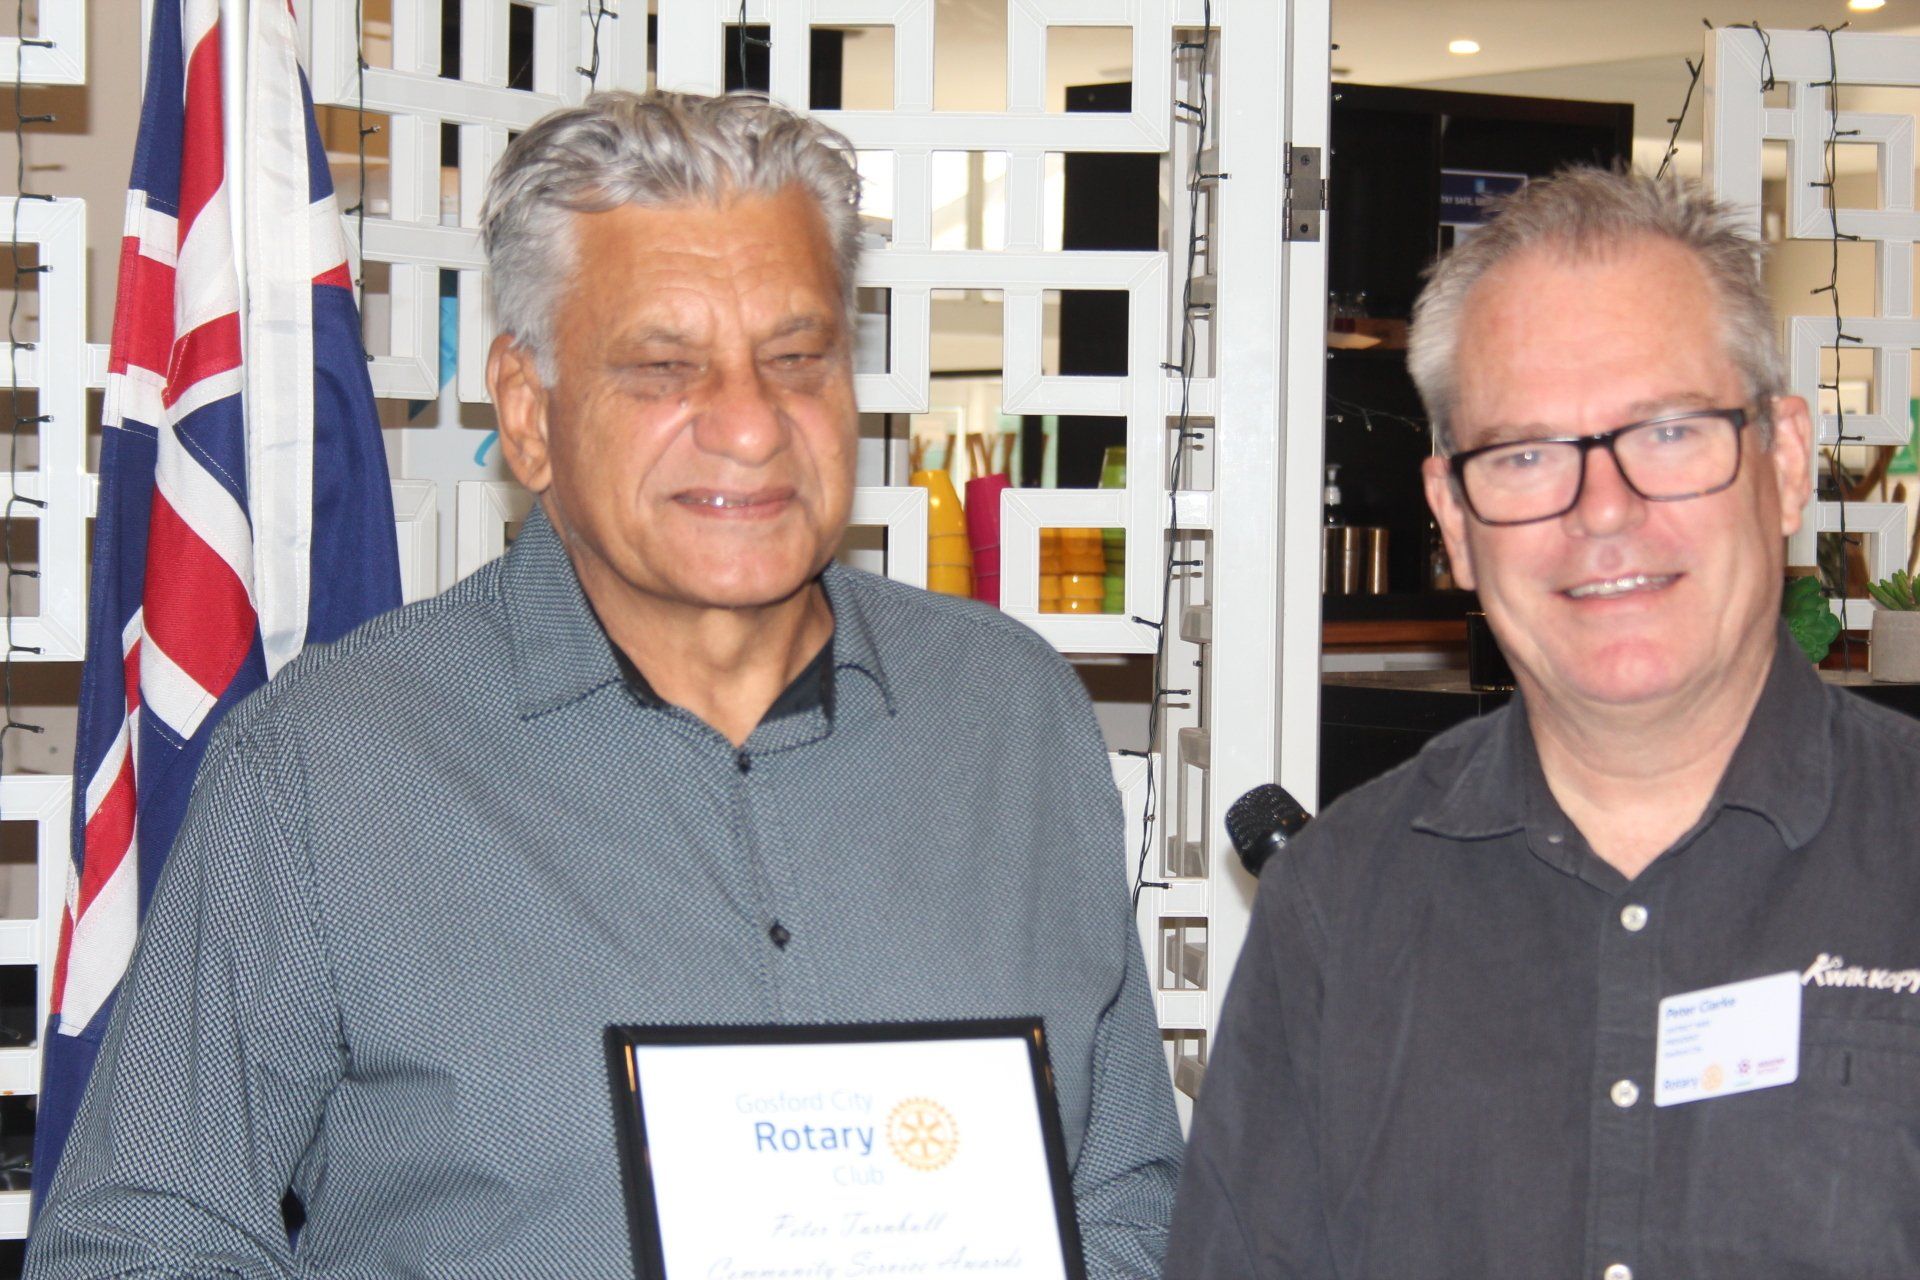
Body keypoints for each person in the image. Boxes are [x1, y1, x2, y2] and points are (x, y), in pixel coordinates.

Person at [29, 91, 1181, 1277]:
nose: (751, 426)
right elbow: (138, 1245)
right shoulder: (327, 768)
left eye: (796, 359)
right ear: (528, 412)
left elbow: (1129, 1200)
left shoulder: (1012, 715)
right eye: (665, 367)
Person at [1166, 167, 1920, 1280]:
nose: (1604, 510)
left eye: (1668, 431)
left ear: (1785, 462)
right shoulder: (1338, 905)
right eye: (1525, 455)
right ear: (1453, 519)